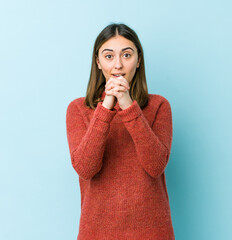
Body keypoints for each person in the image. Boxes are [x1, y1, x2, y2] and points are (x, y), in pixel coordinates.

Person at [65, 23, 175, 239]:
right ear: (97, 62)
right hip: (96, 233)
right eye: (108, 56)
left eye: (126, 55)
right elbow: (86, 168)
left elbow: (155, 166)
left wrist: (127, 105)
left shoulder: (159, 106)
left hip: (152, 233)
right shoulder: (78, 109)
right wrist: (106, 106)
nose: (118, 65)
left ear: (139, 60)